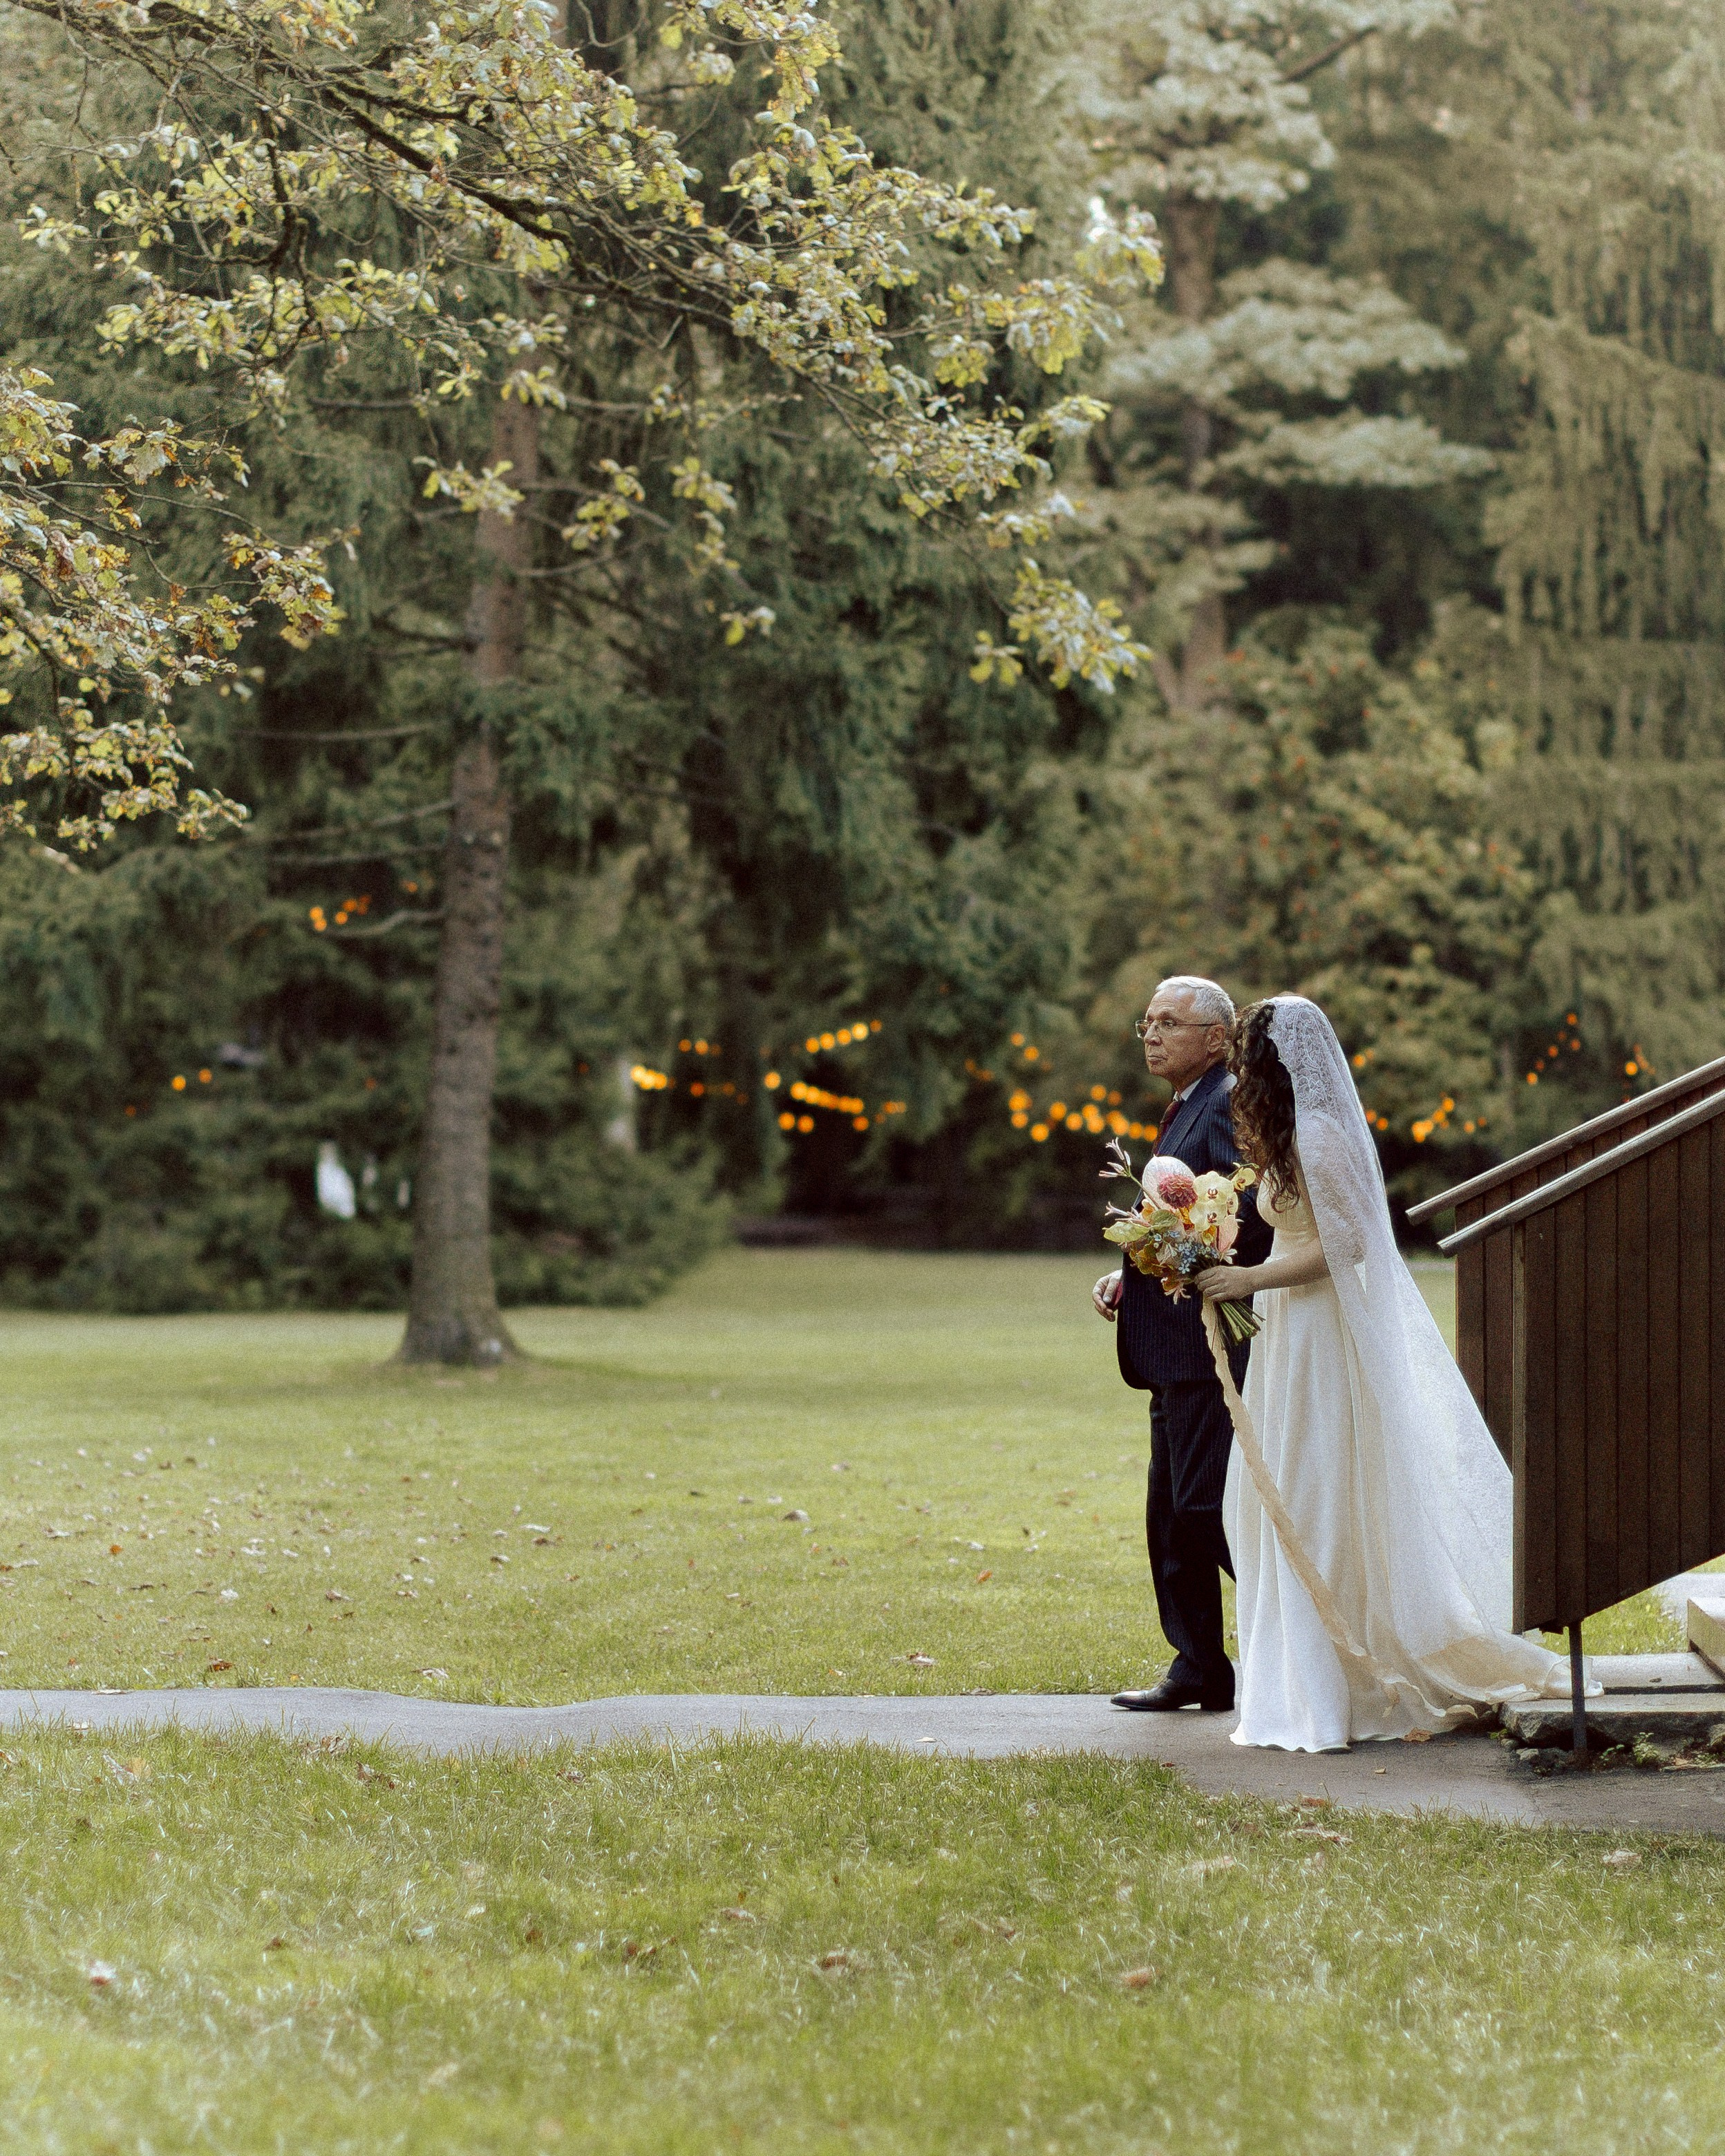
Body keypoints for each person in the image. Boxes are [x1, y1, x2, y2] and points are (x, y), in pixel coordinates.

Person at [1192, 994, 1570, 1750]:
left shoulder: (1321, 1137)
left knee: (1318, 1491)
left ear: (1271, 1063)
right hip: (1288, 1338)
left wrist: (1248, 1284)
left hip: (1322, 1336)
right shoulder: (1286, 1136)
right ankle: (1297, 1673)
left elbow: (1353, 1246)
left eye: (1247, 1056)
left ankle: (1336, 1685)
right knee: (1278, 1494)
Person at [1092, 976, 1271, 1712]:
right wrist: (1131, 1269)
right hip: (1169, 1346)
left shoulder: (1226, 1104)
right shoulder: (1184, 1106)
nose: (1153, 1034)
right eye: (1148, 1023)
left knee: (1204, 1508)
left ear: (1218, 1038)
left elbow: (1246, 1214)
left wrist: (1184, 1260)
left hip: (1208, 1347)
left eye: (1170, 1022)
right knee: (1171, 1513)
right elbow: (1181, 1222)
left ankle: (1298, 1639)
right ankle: (1198, 1665)